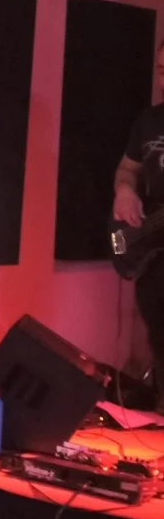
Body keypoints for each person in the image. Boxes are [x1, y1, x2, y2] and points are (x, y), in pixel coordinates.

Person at [112, 38, 164, 408]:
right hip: (155, 251)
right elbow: (127, 170)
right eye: (162, 71)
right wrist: (124, 191)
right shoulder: (148, 121)